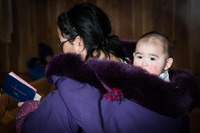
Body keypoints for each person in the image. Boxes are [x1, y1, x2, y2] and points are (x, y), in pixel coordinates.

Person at [16, 2, 198, 133]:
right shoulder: (129, 61)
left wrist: (27, 110)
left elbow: (35, 128)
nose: (61, 48)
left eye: (61, 42)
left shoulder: (74, 86)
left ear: (78, 42)